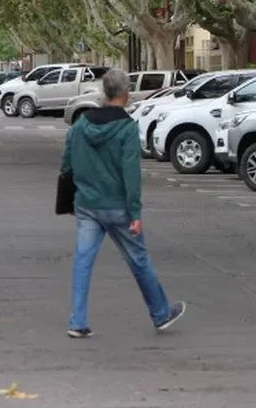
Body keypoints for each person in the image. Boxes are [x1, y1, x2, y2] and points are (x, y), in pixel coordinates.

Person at [61, 69, 185, 338]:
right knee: (138, 260)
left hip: (86, 203)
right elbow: (131, 172)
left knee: (83, 261)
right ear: (126, 93)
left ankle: (77, 321)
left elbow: (67, 162)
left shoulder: (81, 124)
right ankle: (161, 313)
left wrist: (69, 198)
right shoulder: (127, 127)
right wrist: (135, 212)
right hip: (117, 205)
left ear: (104, 92)